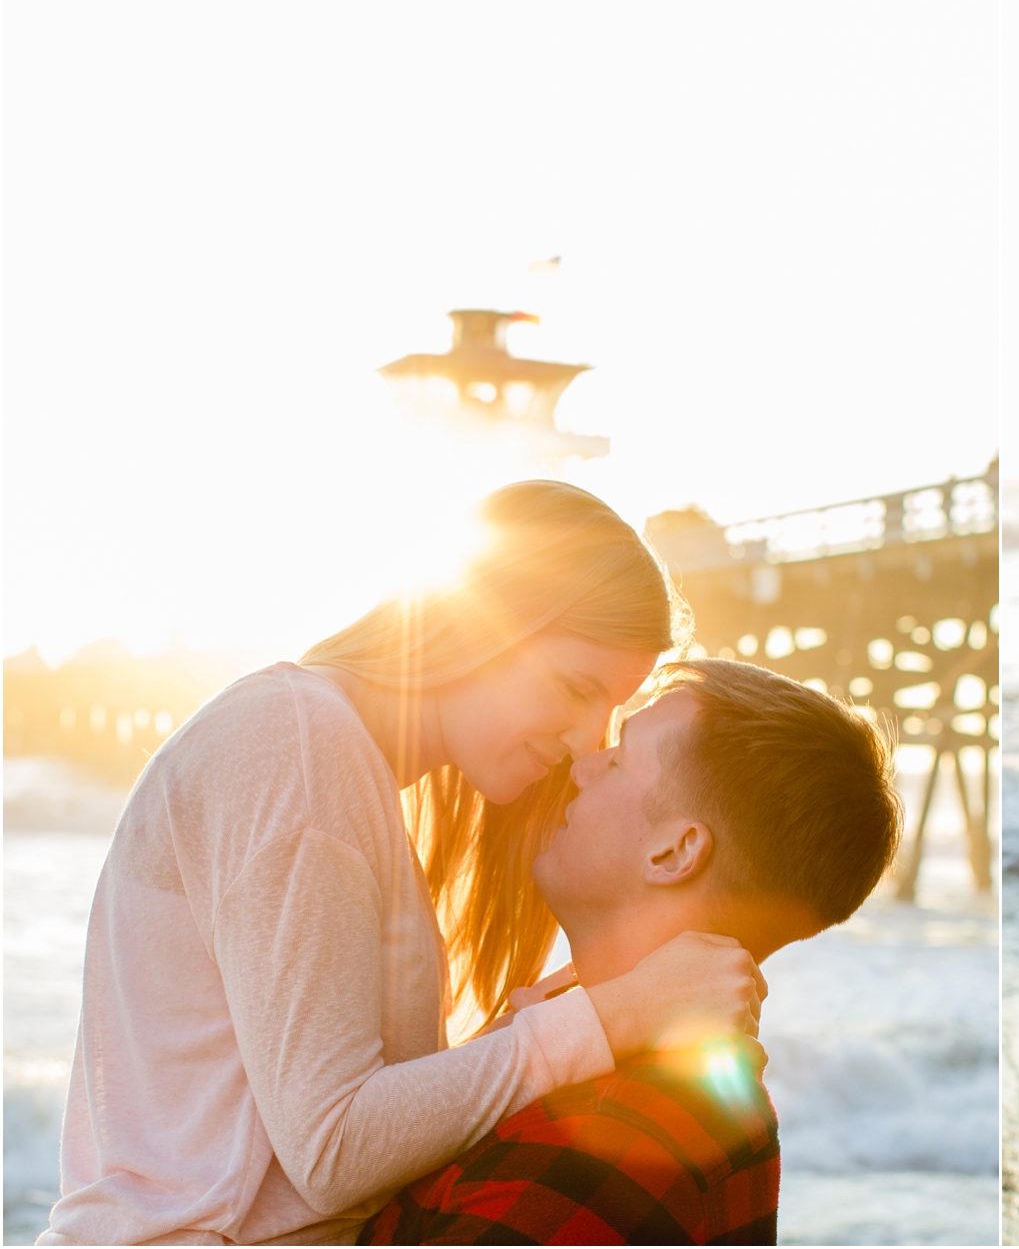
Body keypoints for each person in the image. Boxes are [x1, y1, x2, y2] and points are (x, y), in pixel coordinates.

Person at [44, 483, 765, 1246]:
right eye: (575, 687)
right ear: (472, 622)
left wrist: (547, 1022)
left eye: (610, 714)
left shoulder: (335, 758)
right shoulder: (298, 745)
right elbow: (334, 1148)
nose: (589, 741)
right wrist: (614, 1016)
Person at [361, 656, 902, 1245]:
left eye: (617, 760)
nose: (580, 767)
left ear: (673, 854)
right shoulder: (702, 1096)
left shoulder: (599, 1146)